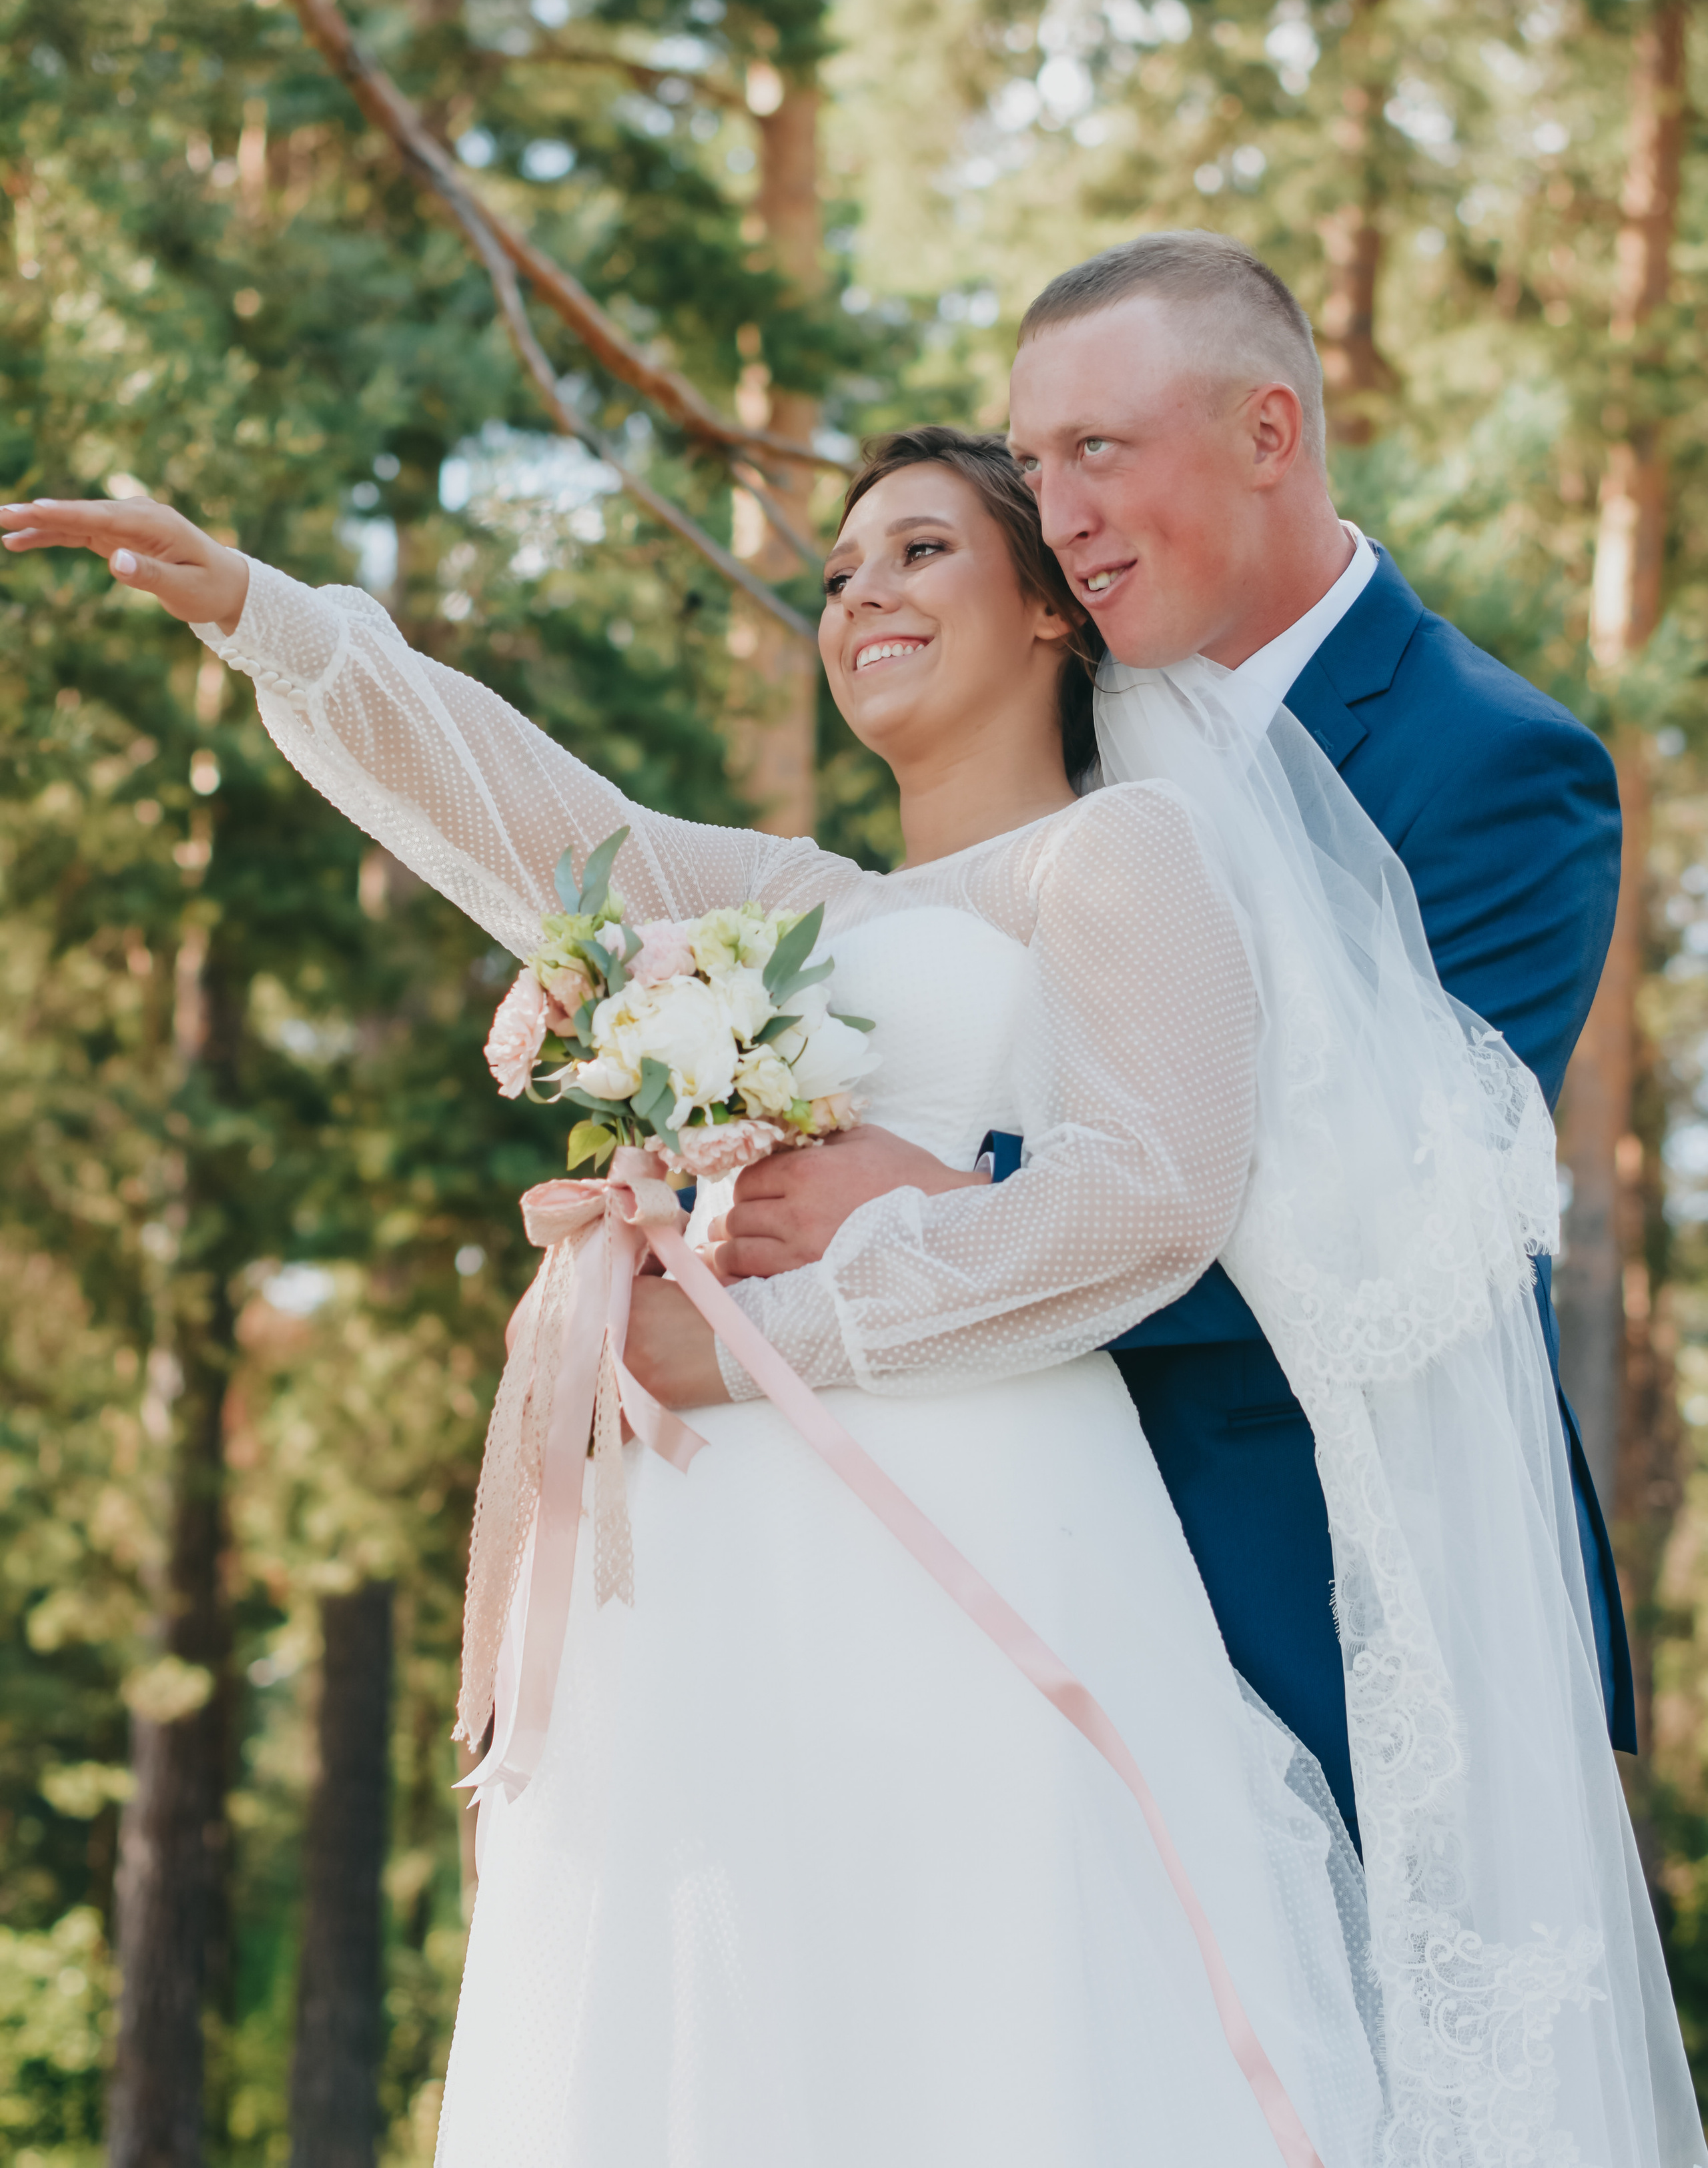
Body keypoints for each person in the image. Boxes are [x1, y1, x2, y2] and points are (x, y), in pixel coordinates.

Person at [1, 419, 1693, 2161]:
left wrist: (767, 1345)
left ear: (1050, 610)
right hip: (721, 1561)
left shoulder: (1121, 854)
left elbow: (1151, 1197)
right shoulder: (800, 900)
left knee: (974, 2012)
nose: (861, 594)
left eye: (919, 551)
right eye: (836, 573)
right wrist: (267, 617)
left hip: (993, 1521)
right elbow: (541, 830)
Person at [705, 234, 1633, 1854]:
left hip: (1330, 1585)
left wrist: (935, 1199)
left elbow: (1390, 1218)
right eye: (1031, 463)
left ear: (1268, 433)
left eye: (1097, 450)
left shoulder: (1488, 766)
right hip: (1018, 1559)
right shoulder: (1063, 719)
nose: (1056, 512)